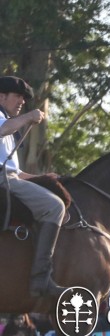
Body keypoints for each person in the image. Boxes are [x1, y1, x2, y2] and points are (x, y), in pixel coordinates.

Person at [0, 76, 66, 297]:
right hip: (3, 181)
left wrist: (42, 177)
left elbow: (15, 172)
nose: (22, 102)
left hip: (10, 179)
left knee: (52, 188)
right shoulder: (3, 120)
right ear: (1, 96)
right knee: (55, 207)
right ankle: (41, 280)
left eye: (24, 99)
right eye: (18, 96)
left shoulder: (8, 123)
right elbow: (5, 129)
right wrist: (29, 116)